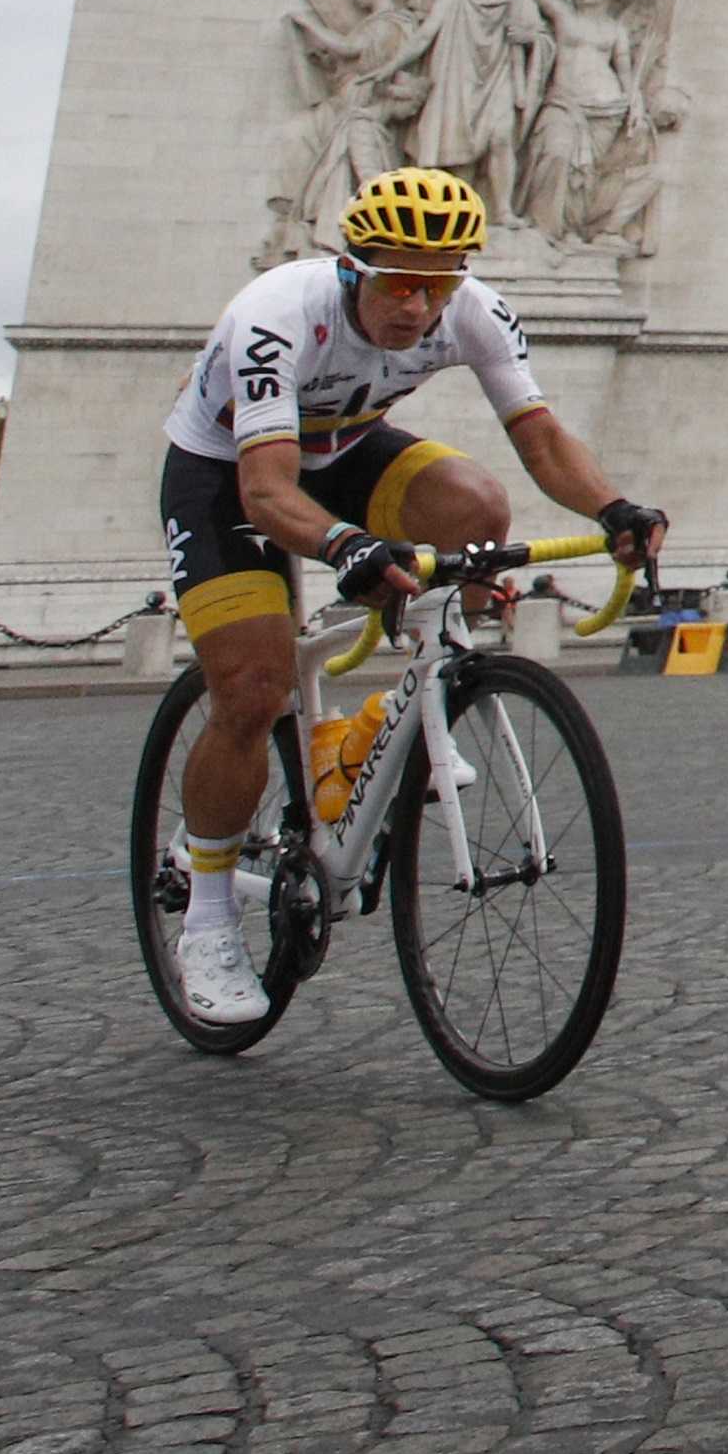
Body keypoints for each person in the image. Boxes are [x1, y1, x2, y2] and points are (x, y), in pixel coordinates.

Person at [157, 163, 665, 1030]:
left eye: (438, 285)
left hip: (344, 448)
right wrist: (346, 543)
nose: (418, 307)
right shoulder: (278, 315)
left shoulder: (473, 307)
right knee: (250, 685)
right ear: (352, 267)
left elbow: (540, 441)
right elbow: (269, 491)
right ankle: (206, 916)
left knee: (476, 509)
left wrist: (614, 506)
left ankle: (408, 705)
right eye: (398, 283)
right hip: (228, 475)